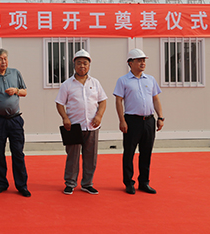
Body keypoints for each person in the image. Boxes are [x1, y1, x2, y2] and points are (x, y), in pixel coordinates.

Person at [55, 49, 107, 195]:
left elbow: (103, 101)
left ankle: (87, 183)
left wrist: (99, 116)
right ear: (74, 65)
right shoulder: (67, 84)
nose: (82, 66)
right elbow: (59, 103)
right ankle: (70, 183)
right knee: (73, 157)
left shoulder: (95, 83)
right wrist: (65, 118)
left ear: (89, 65)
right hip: (73, 127)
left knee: (91, 157)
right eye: (79, 63)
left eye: (85, 63)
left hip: (92, 126)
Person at [113, 48, 164, 195]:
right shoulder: (123, 80)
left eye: (144, 61)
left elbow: (155, 99)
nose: (143, 63)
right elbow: (118, 101)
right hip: (132, 120)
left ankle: (144, 182)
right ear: (130, 63)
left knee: (146, 153)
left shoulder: (150, 79)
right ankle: (129, 182)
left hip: (149, 120)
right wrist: (122, 120)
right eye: (139, 60)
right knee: (129, 153)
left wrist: (160, 117)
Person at [0, 48, 31, 197]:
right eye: (0, 59)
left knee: (18, 152)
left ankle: (21, 185)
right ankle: (2, 183)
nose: (3, 61)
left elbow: (25, 91)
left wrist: (16, 90)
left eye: (5, 58)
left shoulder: (15, 73)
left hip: (15, 120)